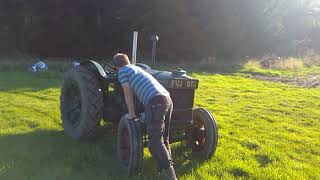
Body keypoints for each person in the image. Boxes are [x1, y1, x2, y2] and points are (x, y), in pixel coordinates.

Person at [113, 53, 177, 180]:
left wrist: (131, 113)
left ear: (117, 66)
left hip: (155, 101)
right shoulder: (137, 69)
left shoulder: (123, 72)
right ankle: (162, 171)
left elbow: (127, 94)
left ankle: (171, 176)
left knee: (154, 143)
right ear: (128, 61)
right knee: (164, 139)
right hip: (167, 99)